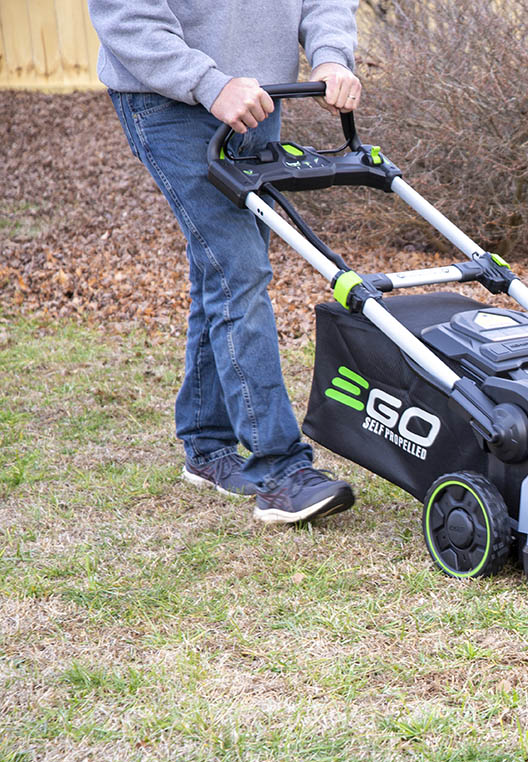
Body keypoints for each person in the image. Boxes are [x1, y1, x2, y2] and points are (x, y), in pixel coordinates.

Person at [88, 1, 361, 524]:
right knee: (239, 272)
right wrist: (209, 83)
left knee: (220, 270)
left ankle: (207, 445)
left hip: (259, 101)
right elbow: (127, 16)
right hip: (169, 101)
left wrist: (330, 56)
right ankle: (280, 471)